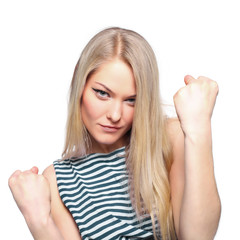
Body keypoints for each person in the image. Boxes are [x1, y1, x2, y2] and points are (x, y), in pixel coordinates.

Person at [8, 27, 221, 240]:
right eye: (102, 93)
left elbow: (199, 236)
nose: (116, 115)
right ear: (79, 85)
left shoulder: (169, 139)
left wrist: (199, 129)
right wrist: (38, 221)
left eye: (131, 100)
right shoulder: (58, 180)